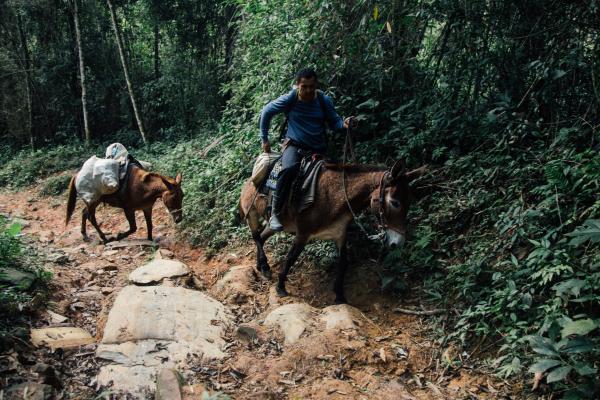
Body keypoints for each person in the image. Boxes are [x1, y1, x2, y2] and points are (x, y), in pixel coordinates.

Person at [259, 68, 356, 231]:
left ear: (316, 85)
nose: (309, 90)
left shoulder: (323, 100)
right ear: (297, 85)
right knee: (289, 169)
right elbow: (266, 111)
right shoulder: (291, 98)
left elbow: (335, 122)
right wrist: (264, 139)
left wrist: (344, 125)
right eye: (304, 87)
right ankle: (276, 212)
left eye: (312, 86)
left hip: (318, 149)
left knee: (333, 179)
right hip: (295, 146)